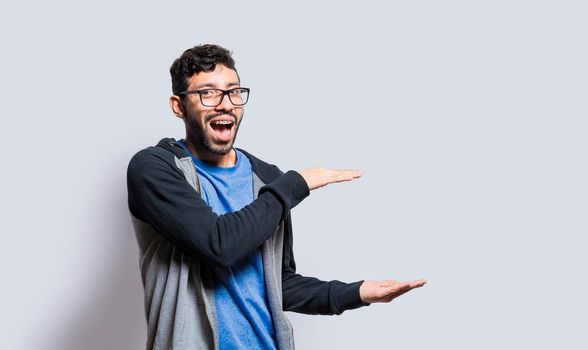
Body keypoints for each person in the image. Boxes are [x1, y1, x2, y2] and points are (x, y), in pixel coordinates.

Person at [127, 44, 427, 350]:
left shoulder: (266, 178)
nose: (225, 104)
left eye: (233, 92)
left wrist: (357, 293)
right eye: (208, 93)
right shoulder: (154, 168)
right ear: (178, 106)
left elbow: (276, 283)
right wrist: (296, 185)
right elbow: (218, 244)